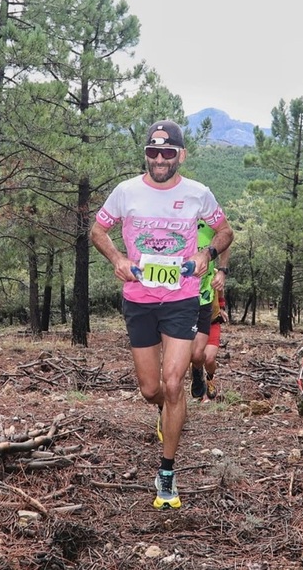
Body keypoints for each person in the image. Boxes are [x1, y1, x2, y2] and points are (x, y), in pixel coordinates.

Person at [90, 120, 233, 510]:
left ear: (180, 156)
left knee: (174, 384)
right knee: (151, 389)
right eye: (153, 152)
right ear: (146, 155)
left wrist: (207, 255)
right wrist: (117, 258)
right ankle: (165, 413)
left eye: (167, 152)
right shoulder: (125, 192)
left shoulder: (197, 194)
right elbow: (98, 231)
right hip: (139, 298)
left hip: (182, 298)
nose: (159, 159)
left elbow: (225, 232)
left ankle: (166, 472)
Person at [190, 220, 229, 402]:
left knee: (209, 358)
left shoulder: (212, 273)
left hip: (212, 318)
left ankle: (210, 378)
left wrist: (221, 307)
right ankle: (197, 381)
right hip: (189, 309)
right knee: (197, 355)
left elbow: (220, 291)